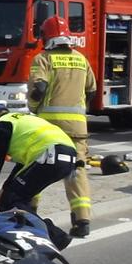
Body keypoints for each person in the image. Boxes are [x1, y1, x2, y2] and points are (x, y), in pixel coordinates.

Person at [27, 16, 97, 237]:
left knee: (36, 168)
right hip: (77, 129)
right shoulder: (81, 59)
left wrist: (34, 107)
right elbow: (92, 91)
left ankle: (29, 215)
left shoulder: (43, 59)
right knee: (76, 172)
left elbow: (39, 87)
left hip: (49, 129)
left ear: (46, 37)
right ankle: (82, 221)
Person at [0, 102, 81, 224]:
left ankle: (55, 236)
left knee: (11, 200)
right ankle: (29, 231)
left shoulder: (0, 127)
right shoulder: (22, 120)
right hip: (67, 156)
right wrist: (3, 192)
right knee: (13, 198)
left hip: (50, 155)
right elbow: (21, 169)